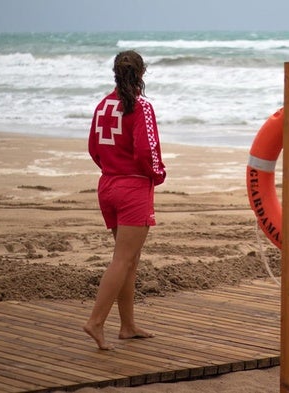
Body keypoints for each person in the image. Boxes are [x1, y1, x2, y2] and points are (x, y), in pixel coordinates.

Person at [83, 50, 166, 350]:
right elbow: (147, 152)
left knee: (129, 260)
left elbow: (94, 148)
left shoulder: (103, 105)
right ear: (142, 73)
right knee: (123, 260)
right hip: (132, 189)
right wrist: (158, 174)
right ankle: (95, 321)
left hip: (107, 185)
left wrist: (112, 170)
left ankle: (128, 326)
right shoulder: (141, 107)